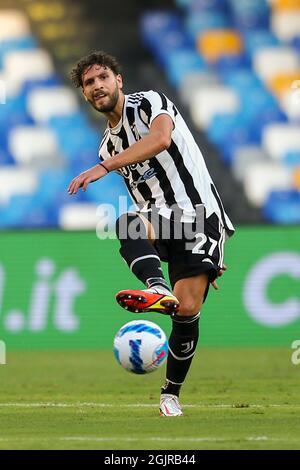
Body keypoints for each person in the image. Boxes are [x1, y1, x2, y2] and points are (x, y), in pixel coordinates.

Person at [68, 51, 235, 417]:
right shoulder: (107, 145)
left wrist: (103, 168)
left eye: (103, 78)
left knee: (187, 310)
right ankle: (157, 287)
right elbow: (145, 199)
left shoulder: (150, 104)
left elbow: (160, 140)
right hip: (163, 218)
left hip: (198, 215)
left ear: (119, 80)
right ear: (84, 94)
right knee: (127, 221)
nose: (97, 87)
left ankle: (170, 394)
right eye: (89, 84)